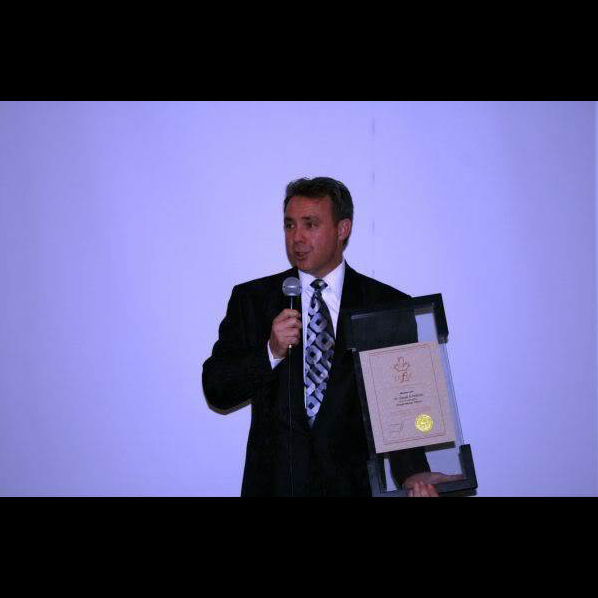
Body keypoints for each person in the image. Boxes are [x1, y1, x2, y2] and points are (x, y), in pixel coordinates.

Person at [202, 177, 460, 497]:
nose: (297, 237)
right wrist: (270, 352)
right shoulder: (252, 300)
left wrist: (414, 475)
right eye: (290, 225)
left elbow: (400, 406)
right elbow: (217, 389)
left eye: (310, 224)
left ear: (342, 229)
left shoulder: (384, 306)